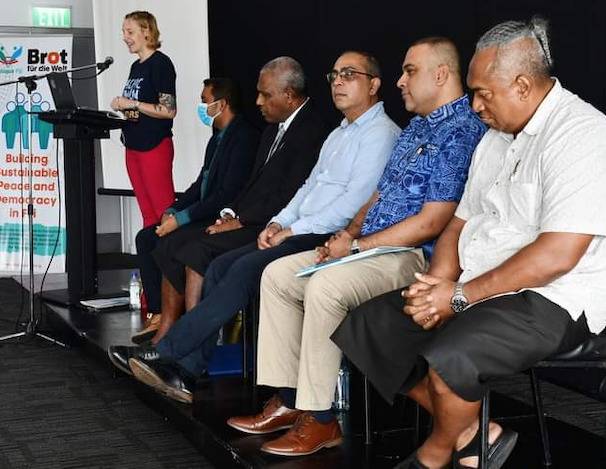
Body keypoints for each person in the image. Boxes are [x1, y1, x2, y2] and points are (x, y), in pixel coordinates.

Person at [330, 17, 606, 469]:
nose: (474, 106)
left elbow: (557, 255)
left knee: (452, 353)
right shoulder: (495, 138)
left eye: (482, 93)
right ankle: (476, 434)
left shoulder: (584, 135)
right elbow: (455, 226)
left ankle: (436, 453)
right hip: (475, 287)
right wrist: (440, 282)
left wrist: (459, 298)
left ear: (522, 84)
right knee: (372, 326)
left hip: (555, 298)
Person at [227, 37, 487, 457]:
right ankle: (292, 399)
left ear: (441, 75)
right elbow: (377, 197)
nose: (400, 81)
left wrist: (359, 245)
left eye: (410, 71)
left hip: (415, 258)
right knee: (276, 275)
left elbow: (433, 222)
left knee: (325, 289)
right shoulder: (419, 125)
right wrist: (347, 236)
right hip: (371, 248)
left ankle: (322, 419)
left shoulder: (462, 132)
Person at [112, 51, 402, 400]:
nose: (337, 81)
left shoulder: (381, 135)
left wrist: (290, 230)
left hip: (326, 236)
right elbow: (307, 188)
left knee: (241, 269)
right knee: (219, 266)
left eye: (349, 74)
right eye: (335, 74)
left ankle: (170, 353)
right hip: (297, 228)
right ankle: (186, 373)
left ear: (374, 85)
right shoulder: (339, 134)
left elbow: (352, 205)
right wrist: (279, 222)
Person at [107, 56, 328, 374]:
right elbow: (249, 187)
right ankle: (169, 339)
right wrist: (229, 214)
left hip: (278, 228)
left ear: (289, 95)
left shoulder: (311, 132)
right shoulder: (271, 131)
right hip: (253, 219)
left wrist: (241, 220)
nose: (258, 102)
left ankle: (183, 357)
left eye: (265, 95)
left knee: (197, 251)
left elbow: (290, 195)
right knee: (170, 245)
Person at [131, 78, 259, 345]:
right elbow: (200, 183)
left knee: (172, 242)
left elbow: (228, 194)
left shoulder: (245, 137)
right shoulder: (217, 138)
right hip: (202, 212)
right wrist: (173, 209)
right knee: (147, 237)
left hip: (223, 217)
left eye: (205, 101)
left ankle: (178, 329)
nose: (202, 108)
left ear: (221, 104)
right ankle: (158, 315)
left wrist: (182, 220)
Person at [111, 11, 177, 227]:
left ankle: (168, 259)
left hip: (153, 146)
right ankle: (149, 260)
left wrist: (133, 104)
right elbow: (138, 111)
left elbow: (168, 110)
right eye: (123, 32)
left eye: (130, 31)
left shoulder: (161, 63)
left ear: (146, 32)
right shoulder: (136, 66)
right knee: (147, 214)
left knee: (163, 213)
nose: (125, 37)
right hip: (133, 145)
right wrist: (122, 109)